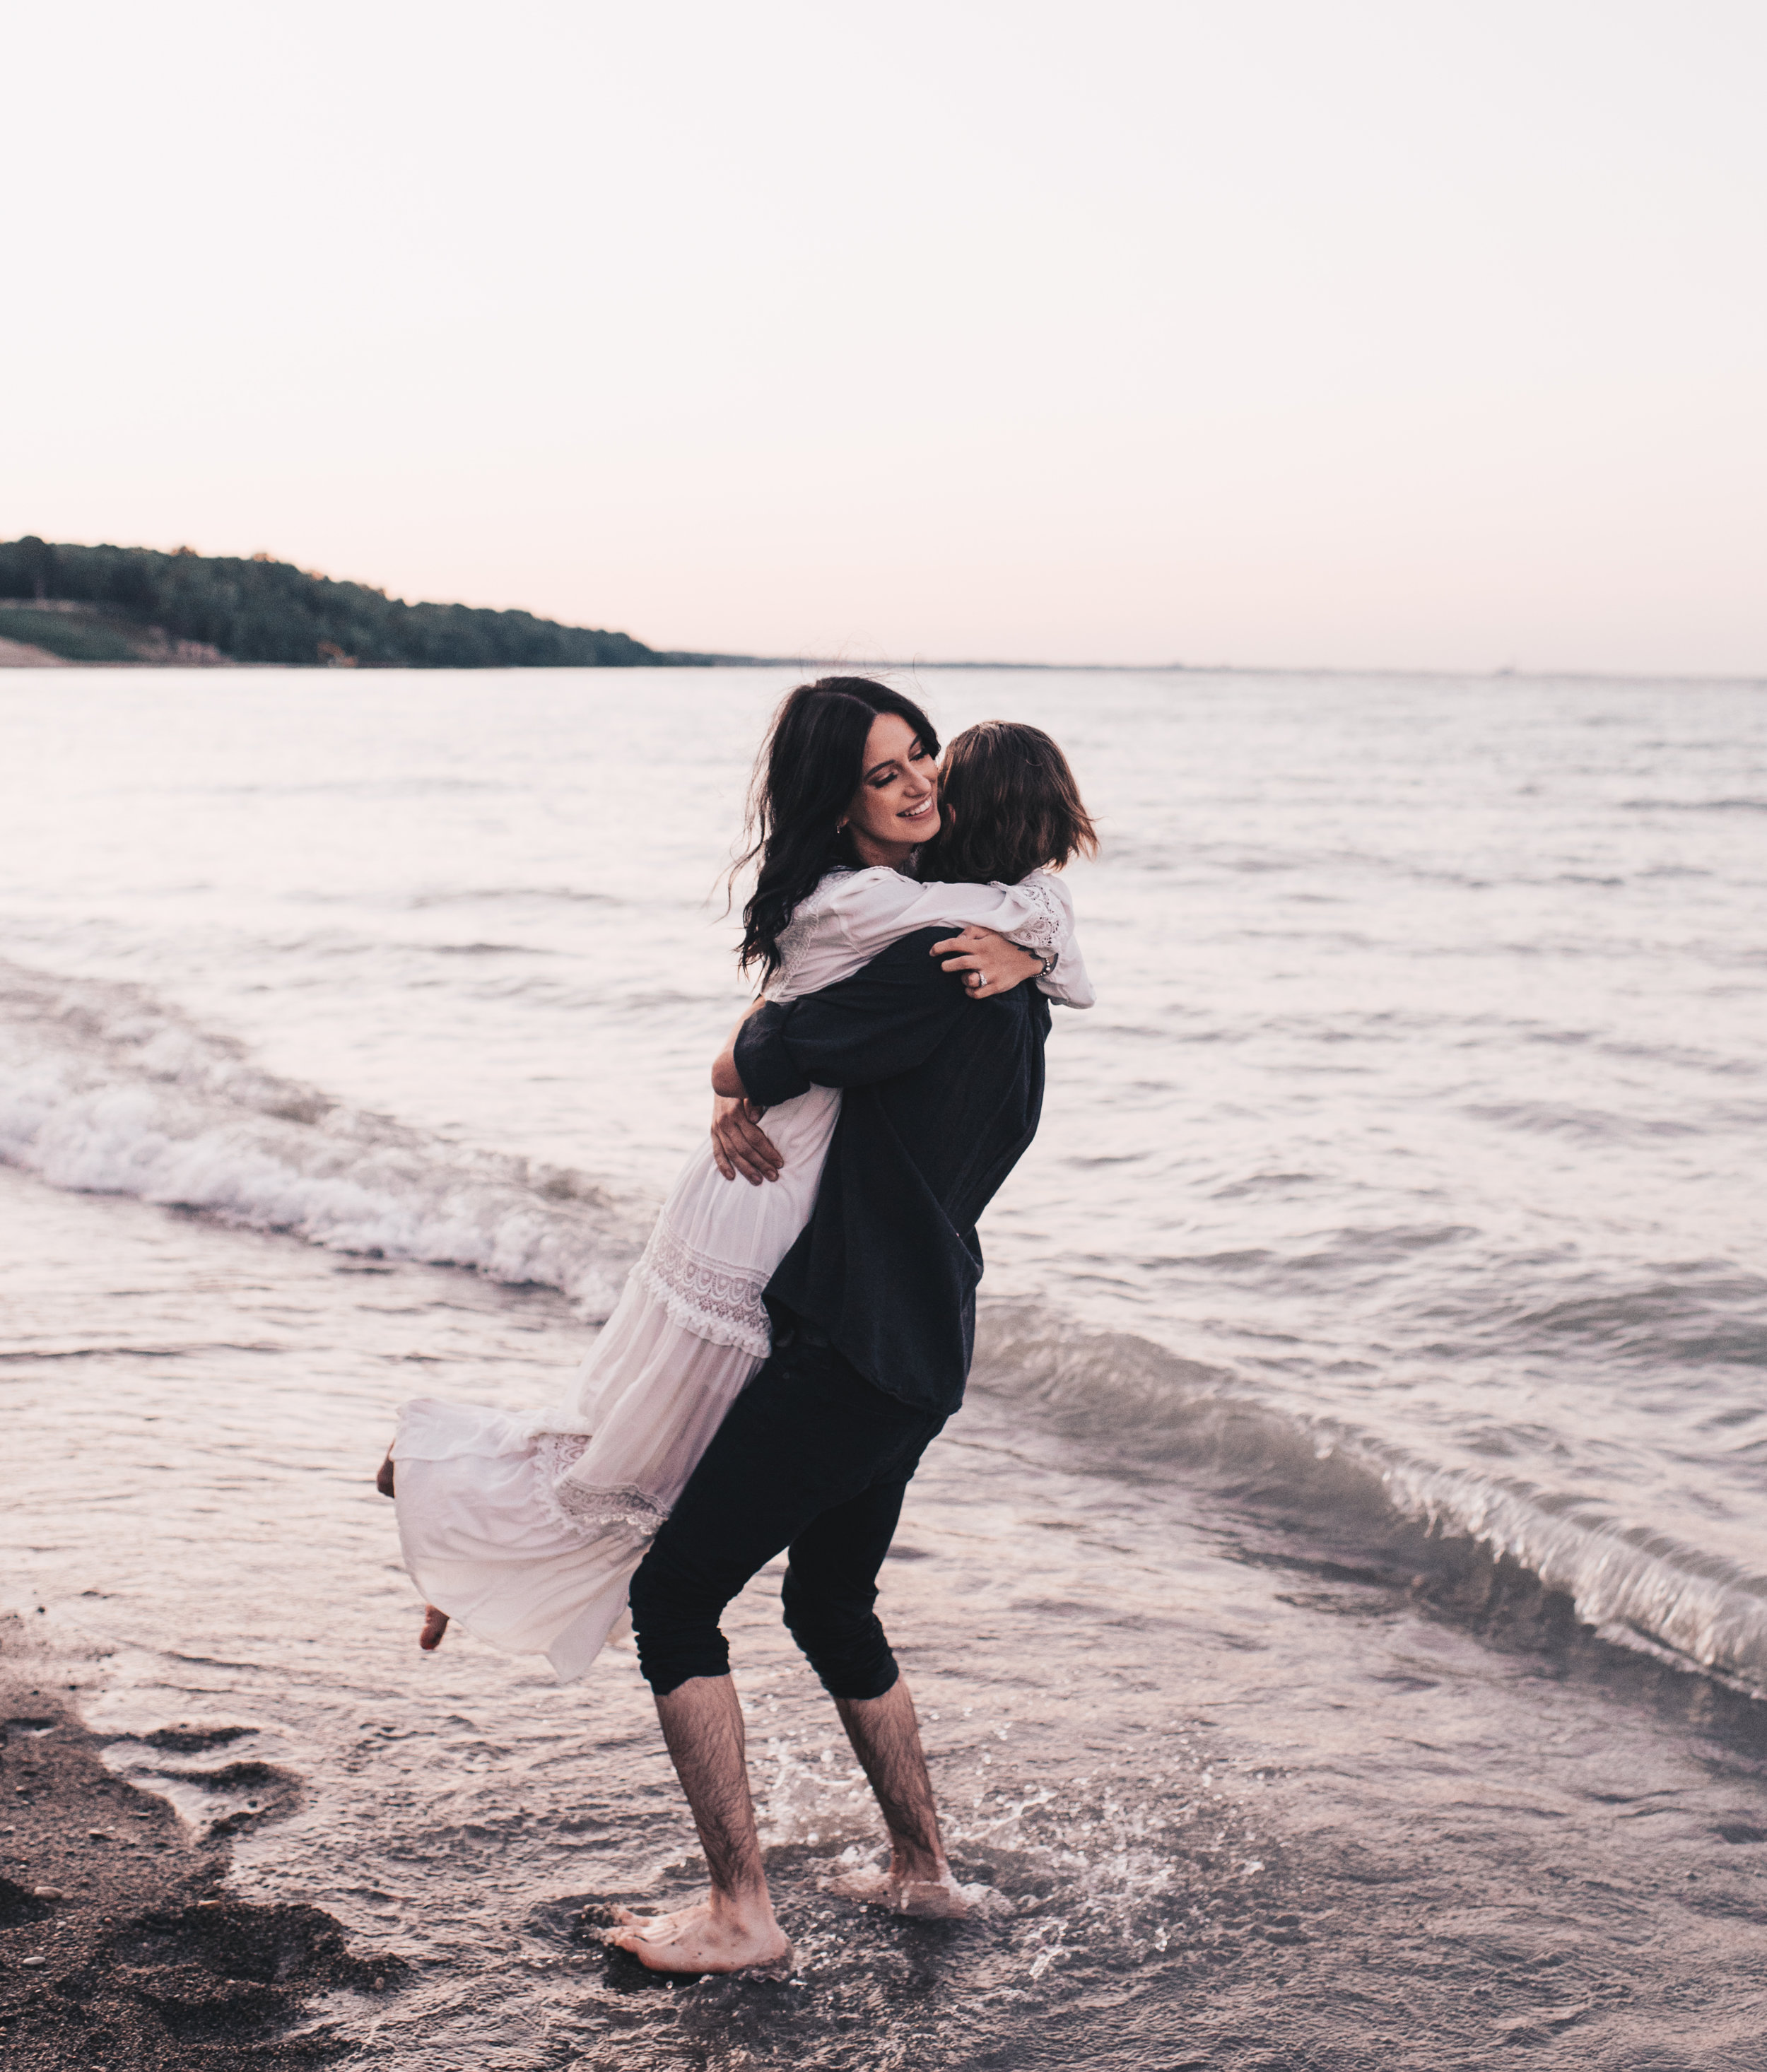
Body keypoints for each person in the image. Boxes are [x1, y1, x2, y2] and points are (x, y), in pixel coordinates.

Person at [378, 681, 1093, 1685]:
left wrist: (1027, 948)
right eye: (885, 773)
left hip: (764, 1187)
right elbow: (1024, 911)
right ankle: (449, 1496)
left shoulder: (893, 898)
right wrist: (1029, 948)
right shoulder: (892, 908)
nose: (920, 783)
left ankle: (448, 1505)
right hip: (762, 1203)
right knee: (648, 1463)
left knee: (637, 1444)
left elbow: (786, 1004)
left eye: (923, 756)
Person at [606, 714, 1098, 1975]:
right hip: (926, 1343)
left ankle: (741, 1915)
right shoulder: (1017, 981)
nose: (915, 790)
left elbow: (764, 1046)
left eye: (931, 777)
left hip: (849, 1342)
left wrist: (729, 1084)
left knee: (672, 1599)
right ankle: (924, 1871)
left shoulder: (938, 967)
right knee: (831, 1603)